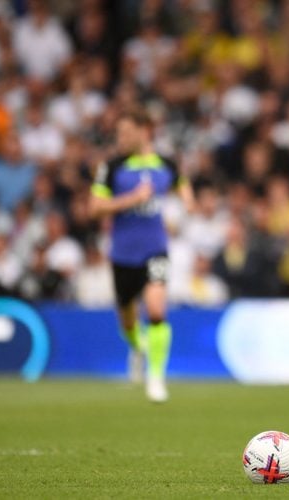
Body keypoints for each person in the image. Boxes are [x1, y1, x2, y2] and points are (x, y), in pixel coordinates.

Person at [89, 108, 193, 403]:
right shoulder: (111, 167)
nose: (120, 138)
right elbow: (94, 208)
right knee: (128, 321)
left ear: (143, 130)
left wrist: (187, 201)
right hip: (122, 254)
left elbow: (181, 184)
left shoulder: (166, 164)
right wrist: (131, 199)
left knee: (157, 310)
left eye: (124, 132)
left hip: (155, 249)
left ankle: (156, 377)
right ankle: (138, 347)